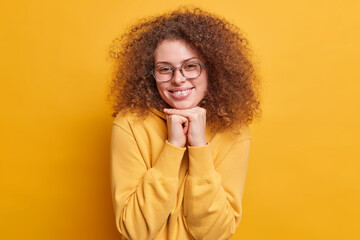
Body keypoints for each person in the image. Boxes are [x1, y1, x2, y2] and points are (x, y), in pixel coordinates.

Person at [108, 6, 260, 240]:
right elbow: (135, 231)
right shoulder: (130, 124)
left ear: (213, 69)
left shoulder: (234, 131)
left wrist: (199, 147)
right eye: (165, 69)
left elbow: (215, 234)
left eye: (190, 66)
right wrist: (173, 146)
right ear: (151, 75)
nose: (178, 79)